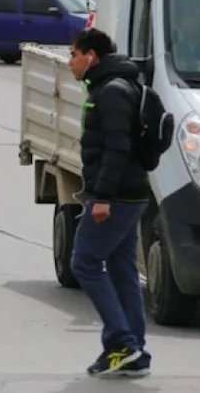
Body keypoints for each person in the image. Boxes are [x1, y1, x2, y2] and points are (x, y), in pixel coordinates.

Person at [67, 27, 152, 378]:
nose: (70, 61)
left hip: (117, 196)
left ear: (92, 57)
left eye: (73, 54)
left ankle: (122, 343)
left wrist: (101, 197)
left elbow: (117, 148)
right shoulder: (113, 85)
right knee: (121, 271)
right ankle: (134, 355)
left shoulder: (112, 91)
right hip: (128, 194)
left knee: (84, 262)